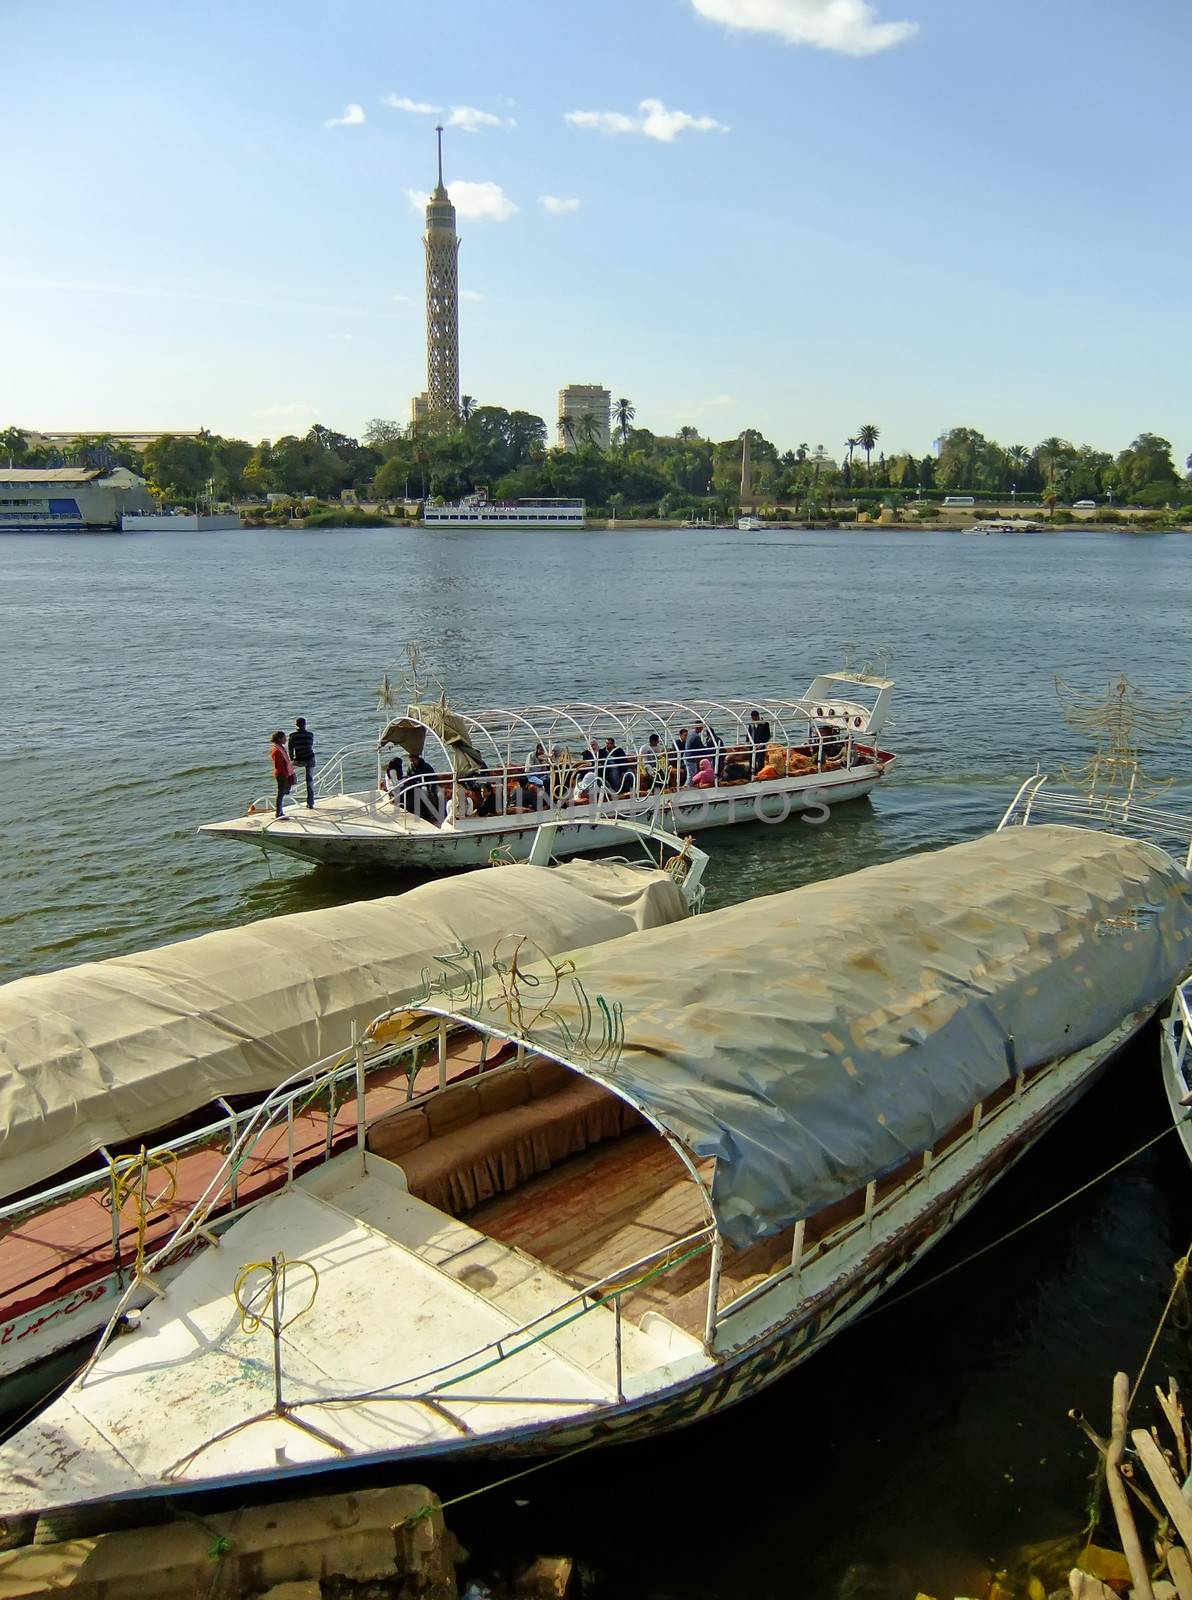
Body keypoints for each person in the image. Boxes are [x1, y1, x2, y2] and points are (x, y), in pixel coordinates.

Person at [404, 754, 442, 824]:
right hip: (417, 786)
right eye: (411, 761)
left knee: (439, 794)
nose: (412, 763)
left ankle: (436, 815)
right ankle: (427, 815)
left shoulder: (426, 766)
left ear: (417, 759)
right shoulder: (410, 768)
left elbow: (433, 778)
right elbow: (409, 778)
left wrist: (432, 790)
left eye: (414, 761)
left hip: (429, 785)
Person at [288, 717, 316, 809]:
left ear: (296, 725)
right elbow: (310, 746)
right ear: (305, 724)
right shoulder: (310, 735)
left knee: (287, 770)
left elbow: (291, 750)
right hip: (310, 759)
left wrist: (291, 760)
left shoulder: (292, 736)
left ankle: (287, 788)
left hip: (299, 760)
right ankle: (310, 803)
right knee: (309, 780)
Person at [269, 730, 294, 818]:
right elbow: (278, 765)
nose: (285, 739)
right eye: (284, 738)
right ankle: (278, 812)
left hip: (285, 773)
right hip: (281, 774)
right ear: (279, 739)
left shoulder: (281, 748)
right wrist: (285, 774)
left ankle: (279, 811)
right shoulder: (277, 751)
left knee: (285, 790)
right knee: (281, 793)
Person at [747, 709, 772, 776]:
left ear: (757, 716)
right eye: (752, 718)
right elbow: (749, 733)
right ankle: (752, 774)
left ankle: (761, 773)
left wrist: (761, 744)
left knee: (760, 760)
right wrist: (748, 742)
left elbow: (767, 736)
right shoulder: (751, 724)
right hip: (752, 744)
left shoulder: (765, 724)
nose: (753, 719)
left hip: (760, 744)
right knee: (751, 759)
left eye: (754, 718)